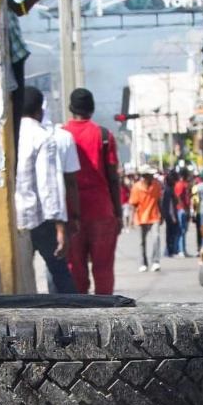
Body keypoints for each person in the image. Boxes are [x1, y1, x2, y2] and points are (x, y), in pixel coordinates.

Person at [11, 85, 78, 292]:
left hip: (15, 218)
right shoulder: (42, 138)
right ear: (40, 110)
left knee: (20, 277)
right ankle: (74, 319)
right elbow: (48, 184)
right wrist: (60, 225)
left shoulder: (10, 135)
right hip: (39, 219)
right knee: (60, 272)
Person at [59, 88, 123, 294]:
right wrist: (118, 212)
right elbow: (113, 177)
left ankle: (80, 314)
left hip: (70, 210)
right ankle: (105, 313)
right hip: (102, 210)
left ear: (71, 108)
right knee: (103, 267)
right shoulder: (104, 135)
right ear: (92, 108)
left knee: (75, 268)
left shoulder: (60, 134)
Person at [129, 167, 163, 271]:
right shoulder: (136, 187)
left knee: (156, 238)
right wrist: (131, 219)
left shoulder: (156, 185)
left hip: (154, 216)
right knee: (141, 242)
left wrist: (162, 215)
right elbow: (133, 204)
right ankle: (143, 263)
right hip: (141, 217)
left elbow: (159, 201)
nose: (152, 177)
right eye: (150, 175)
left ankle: (155, 261)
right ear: (144, 176)